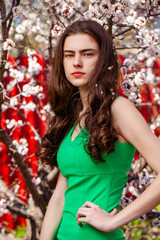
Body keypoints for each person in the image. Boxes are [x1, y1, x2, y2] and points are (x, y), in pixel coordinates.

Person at [39, 20, 160, 240]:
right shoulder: (71, 116)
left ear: (103, 59)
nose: (76, 62)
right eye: (69, 55)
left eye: (87, 54)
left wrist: (113, 220)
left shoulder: (118, 109)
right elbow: (60, 195)